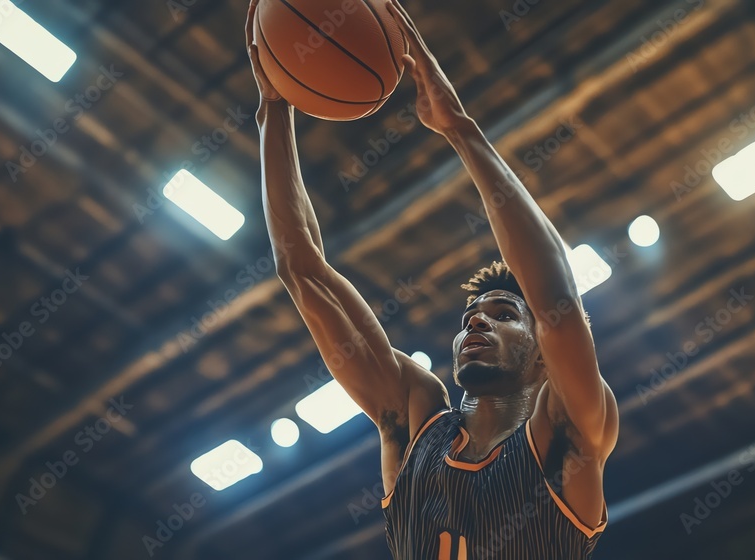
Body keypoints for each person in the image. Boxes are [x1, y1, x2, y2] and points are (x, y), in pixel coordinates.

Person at [245, 0, 618, 557]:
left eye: (503, 314)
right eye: (472, 314)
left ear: (542, 354)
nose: (477, 320)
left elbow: (557, 299)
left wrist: (460, 130)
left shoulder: (567, 431)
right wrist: (274, 110)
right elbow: (301, 271)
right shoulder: (414, 417)